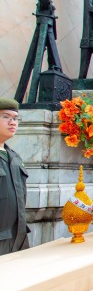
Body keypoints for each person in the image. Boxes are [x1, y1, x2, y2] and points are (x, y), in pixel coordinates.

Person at [0, 98, 30, 256]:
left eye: (15, 118)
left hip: (17, 237)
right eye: (6, 117)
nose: (12, 122)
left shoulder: (14, 157)